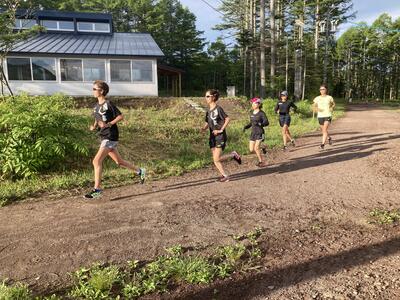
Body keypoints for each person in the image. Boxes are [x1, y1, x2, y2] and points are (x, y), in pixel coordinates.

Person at [85, 80, 146, 199]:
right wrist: (94, 126)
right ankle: (140, 171)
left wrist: (109, 124)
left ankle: (97, 190)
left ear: (101, 91)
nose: (92, 91)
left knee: (96, 161)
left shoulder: (108, 104)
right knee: (119, 162)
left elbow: (120, 116)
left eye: (94, 89)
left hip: (110, 136)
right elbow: (98, 119)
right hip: (104, 136)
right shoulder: (96, 106)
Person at [201, 89, 242, 182]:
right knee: (215, 159)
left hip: (220, 136)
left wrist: (221, 130)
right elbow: (207, 122)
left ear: (213, 97)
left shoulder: (218, 109)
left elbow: (227, 119)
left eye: (208, 96)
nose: (206, 98)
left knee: (216, 158)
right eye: (205, 96)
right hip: (212, 137)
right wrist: (203, 128)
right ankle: (223, 175)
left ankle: (233, 156)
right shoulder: (208, 111)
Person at [243, 97, 269, 167]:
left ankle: (261, 162)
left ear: (258, 104)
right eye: (252, 103)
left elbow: (267, 122)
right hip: (253, 133)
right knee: (251, 149)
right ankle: (263, 147)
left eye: (254, 103)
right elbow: (251, 123)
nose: (252, 104)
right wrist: (246, 127)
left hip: (260, 132)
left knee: (256, 148)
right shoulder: (252, 113)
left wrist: (261, 124)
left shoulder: (261, 113)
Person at [312, 84, 335, 150]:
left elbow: (333, 104)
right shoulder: (317, 98)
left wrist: (332, 108)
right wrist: (317, 109)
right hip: (320, 116)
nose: (322, 90)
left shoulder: (329, 97)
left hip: (328, 115)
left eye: (323, 89)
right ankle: (329, 138)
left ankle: (322, 145)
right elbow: (313, 106)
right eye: (320, 89)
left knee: (324, 130)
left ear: (326, 90)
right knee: (324, 130)